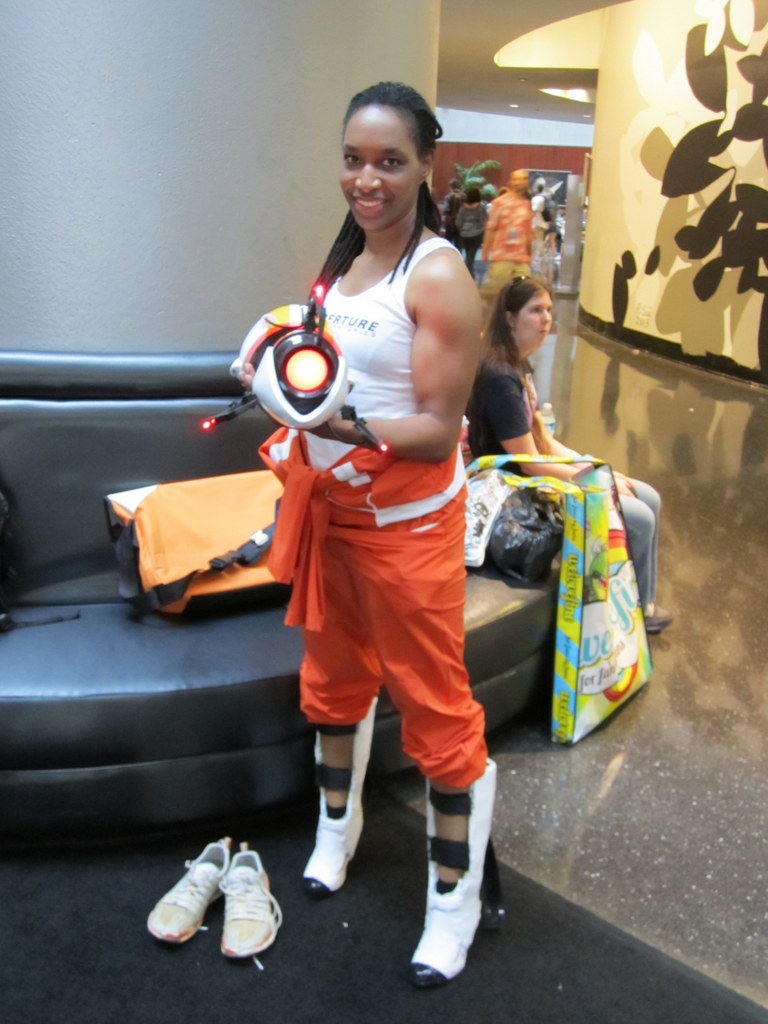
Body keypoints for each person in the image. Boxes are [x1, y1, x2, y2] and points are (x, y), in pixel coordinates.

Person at [244, 81, 497, 988]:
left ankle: (454, 904)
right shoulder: (343, 263)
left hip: (405, 532)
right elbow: (322, 368)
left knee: (436, 711)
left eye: (390, 161)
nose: (367, 178)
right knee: (332, 683)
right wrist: (270, 367)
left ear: (426, 164)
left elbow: (434, 431)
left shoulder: (437, 275)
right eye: (354, 159)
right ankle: (336, 828)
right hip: (331, 521)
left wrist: (333, 421)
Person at [466, 276, 673, 634]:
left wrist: (594, 466)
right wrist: (596, 479)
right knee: (638, 518)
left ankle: (645, 603)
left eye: (549, 310)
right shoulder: (500, 378)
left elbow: (543, 438)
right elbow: (529, 463)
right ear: (511, 318)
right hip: (515, 490)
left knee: (649, 497)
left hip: (532, 473)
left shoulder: (517, 365)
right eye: (536, 310)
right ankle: (633, 617)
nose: (546, 319)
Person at [479, 168, 532, 304]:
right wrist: (485, 252)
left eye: (524, 179)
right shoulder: (499, 203)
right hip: (502, 256)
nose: (520, 182)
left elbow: (528, 232)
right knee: (495, 292)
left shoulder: (526, 204)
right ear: (510, 182)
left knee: (524, 293)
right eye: (517, 179)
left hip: (521, 258)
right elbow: (491, 229)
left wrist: (529, 253)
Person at [455, 186, 488, 280]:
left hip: (464, 234)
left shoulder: (463, 207)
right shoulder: (480, 207)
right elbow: (484, 221)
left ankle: (470, 272)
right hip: (476, 234)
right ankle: (468, 273)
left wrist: (461, 229)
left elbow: (458, 221)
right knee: (471, 255)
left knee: (468, 253)